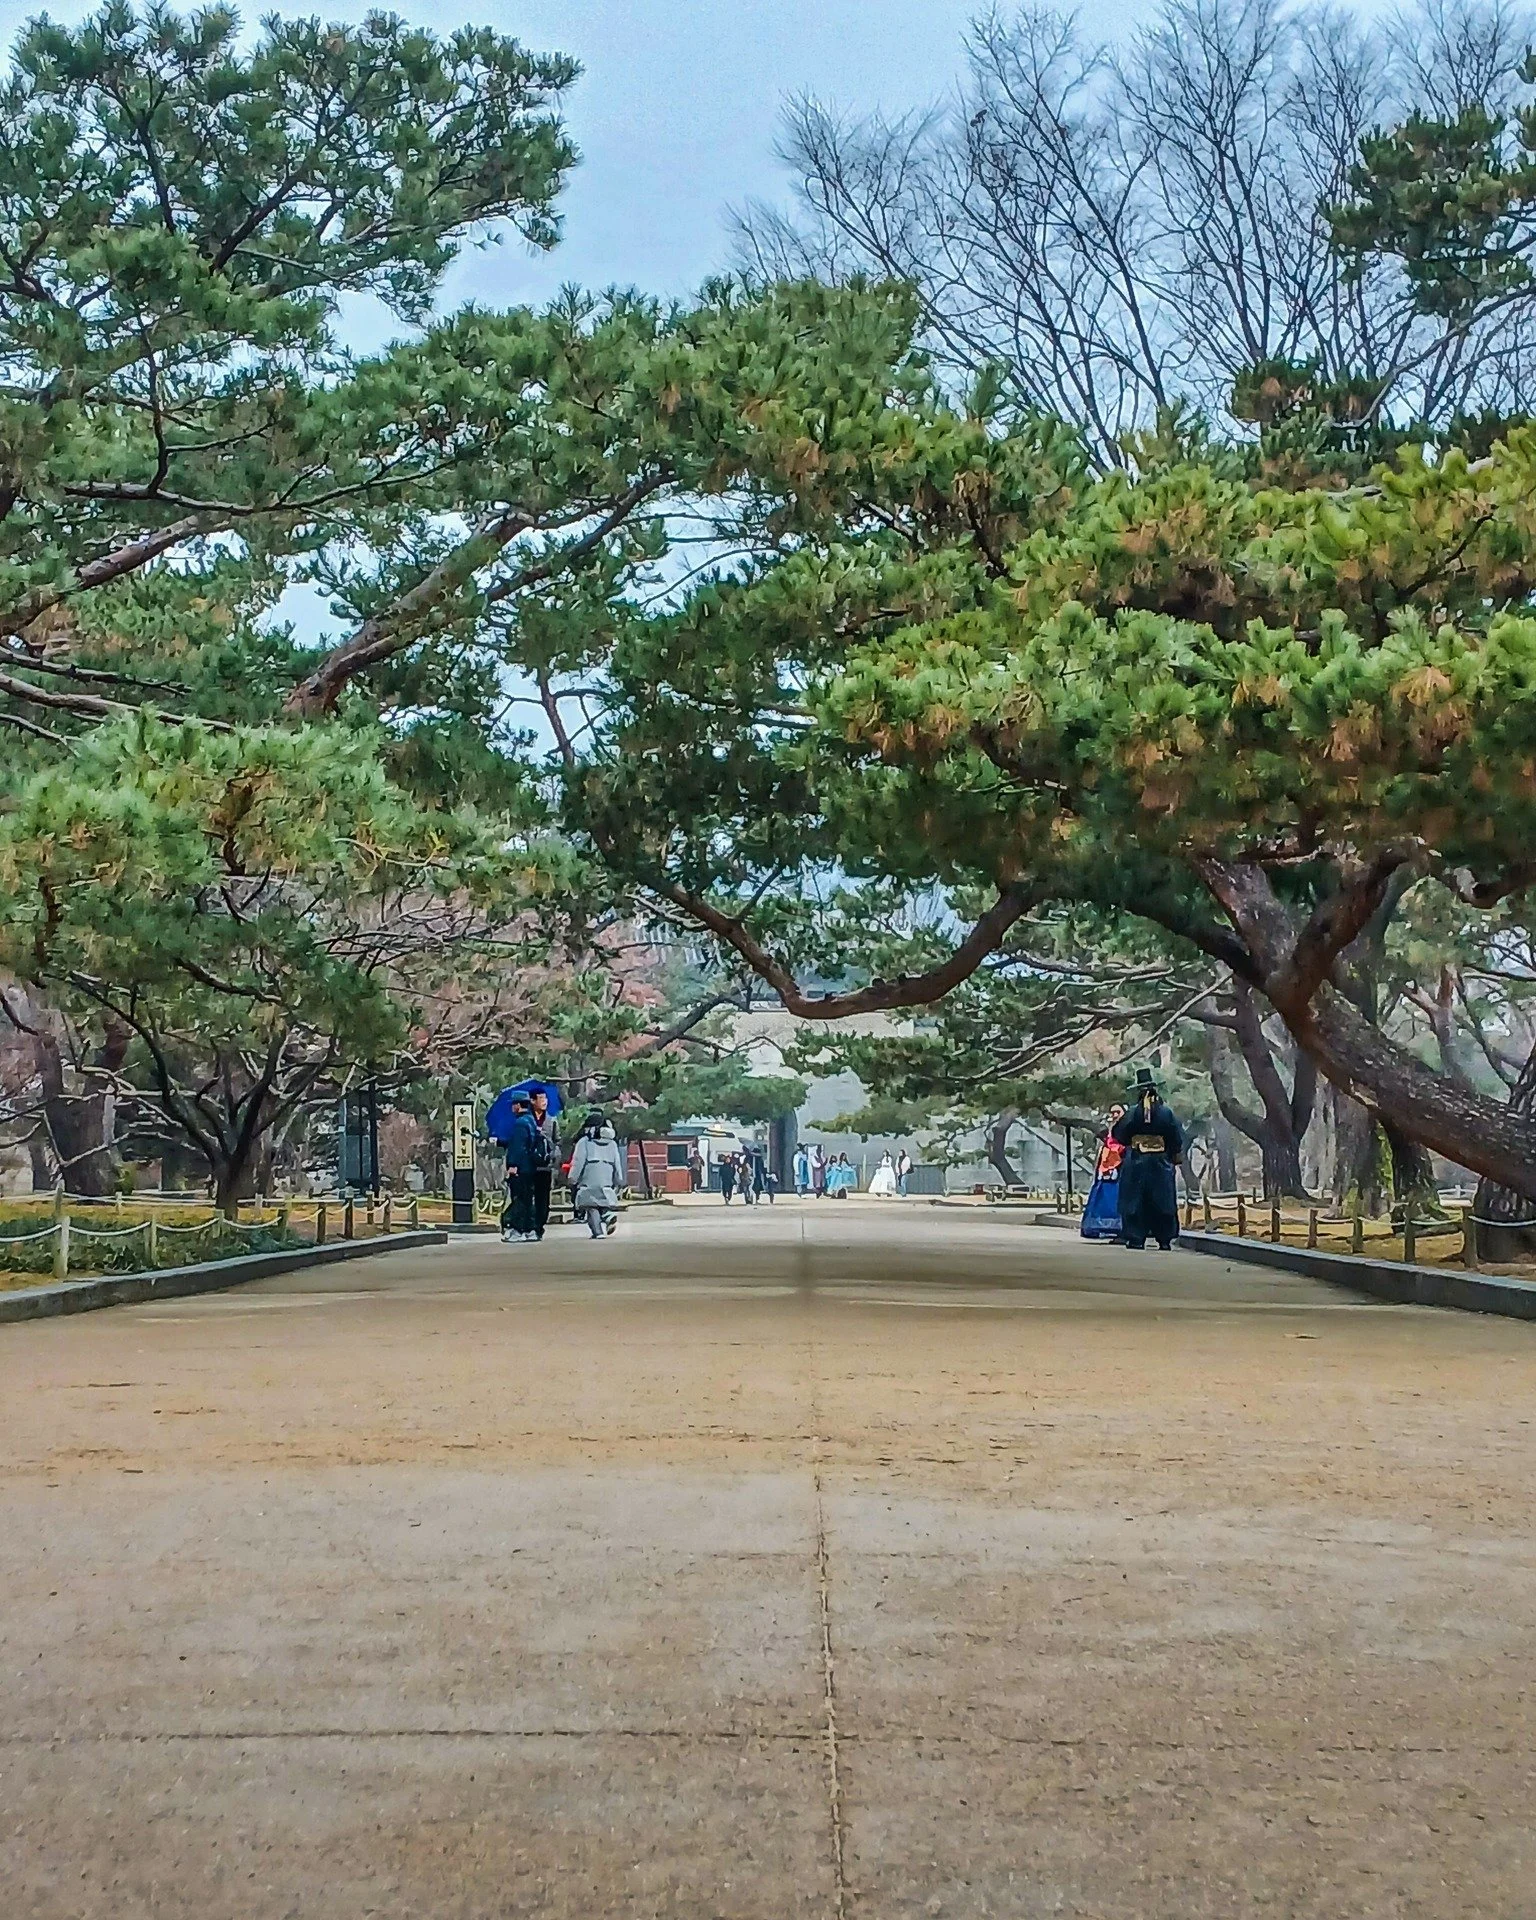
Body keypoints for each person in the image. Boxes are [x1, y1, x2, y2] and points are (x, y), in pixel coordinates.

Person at [1110, 1070, 1184, 1250]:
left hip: (1136, 1160)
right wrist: (1172, 1153)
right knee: (1162, 1200)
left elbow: (1119, 1134)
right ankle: (1164, 1239)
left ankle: (1136, 1238)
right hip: (1160, 1161)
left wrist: (1135, 1142)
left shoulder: (1133, 1113)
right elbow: (1176, 1137)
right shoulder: (1166, 1113)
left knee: (1135, 1200)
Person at [568, 1109, 625, 1238]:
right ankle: (608, 1215)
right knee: (603, 1202)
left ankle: (598, 1232)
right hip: (606, 1179)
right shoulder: (612, 1143)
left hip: (589, 1178)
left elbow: (578, 1162)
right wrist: (619, 1180)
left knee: (590, 1205)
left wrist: (572, 1178)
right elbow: (617, 1163)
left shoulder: (584, 1142)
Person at [1080, 1104, 1127, 1241]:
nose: (1115, 1115)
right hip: (1106, 1169)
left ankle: (1121, 1228)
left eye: (1118, 1112)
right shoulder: (1110, 1129)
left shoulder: (1127, 1127)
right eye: (1112, 1112)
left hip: (1121, 1166)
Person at [499, 1095, 539, 1242]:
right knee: (528, 1199)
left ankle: (517, 1230)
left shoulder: (520, 1123)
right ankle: (531, 1230)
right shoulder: (531, 1121)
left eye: (513, 1104)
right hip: (530, 1167)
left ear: (518, 1105)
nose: (512, 1108)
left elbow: (518, 1147)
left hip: (521, 1168)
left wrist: (513, 1165)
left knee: (519, 1199)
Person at [528, 1087, 558, 1241]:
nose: (544, 1102)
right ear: (532, 1101)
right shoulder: (527, 1120)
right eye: (541, 1098)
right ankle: (530, 1226)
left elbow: (556, 1141)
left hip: (545, 1166)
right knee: (528, 1196)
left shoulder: (551, 1120)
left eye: (545, 1098)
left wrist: (553, 1157)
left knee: (543, 1198)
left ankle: (539, 1225)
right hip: (529, 1165)